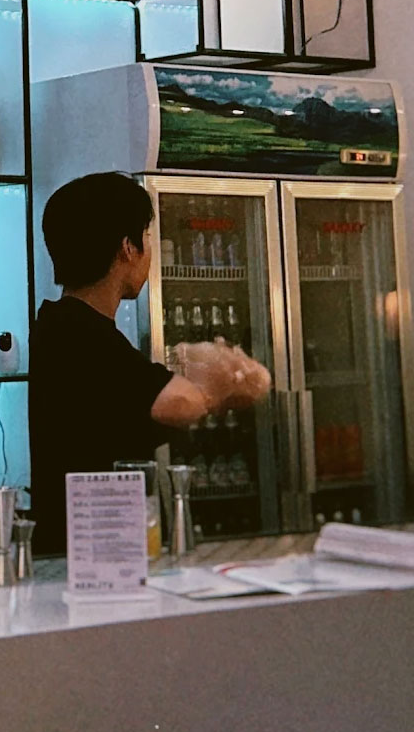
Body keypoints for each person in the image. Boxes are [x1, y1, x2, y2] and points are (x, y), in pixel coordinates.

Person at [28, 171, 271, 553]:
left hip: (98, 544)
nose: (149, 250)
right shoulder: (77, 331)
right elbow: (176, 402)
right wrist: (227, 373)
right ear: (127, 247)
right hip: (84, 553)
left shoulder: (67, 326)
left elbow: (137, 397)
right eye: (146, 237)